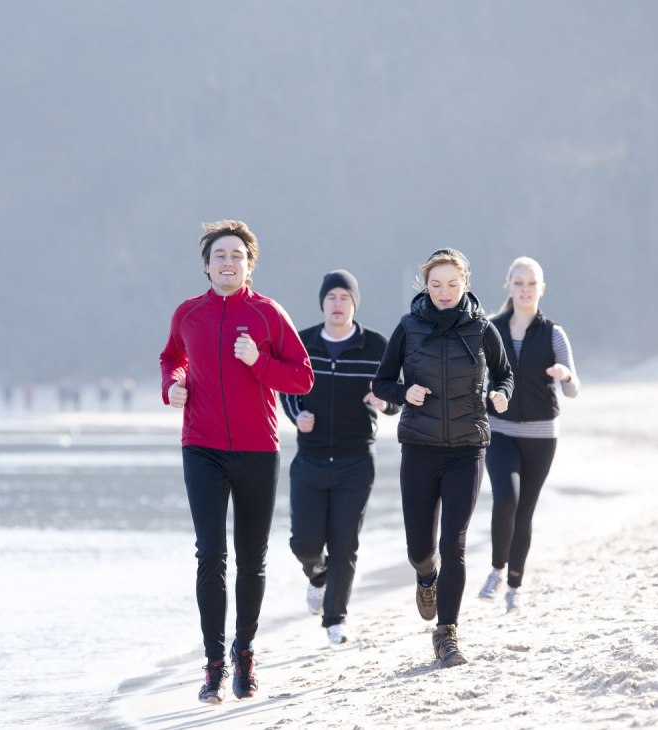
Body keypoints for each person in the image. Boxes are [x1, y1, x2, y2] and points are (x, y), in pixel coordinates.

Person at [159, 220, 315, 703]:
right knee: (210, 555)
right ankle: (211, 665)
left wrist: (258, 363)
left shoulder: (268, 314)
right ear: (206, 265)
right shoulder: (188, 313)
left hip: (256, 449)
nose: (228, 263)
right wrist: (174, 386)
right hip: (201, 447)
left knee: (252, 559)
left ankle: (243, 653)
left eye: (236, 256)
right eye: (220, 256)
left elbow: (302, 377)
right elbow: (172, 358)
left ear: (249, 265)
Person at [372, 248, 514, 668]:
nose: (444, 292)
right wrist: (403, 393)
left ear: (465, 283)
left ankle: (447, 634)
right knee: (421, 548)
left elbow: (504, 373)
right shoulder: (408, 327)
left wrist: (501, 394)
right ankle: (424, 577)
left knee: (454, 543)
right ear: (425, 285)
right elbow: (382, 382)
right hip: (418, 447)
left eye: (453, 284)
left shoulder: (482, 329)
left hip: (467, 449)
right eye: (436, 284)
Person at [281, 270, 399, 646]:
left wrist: (385, 402)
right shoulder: (304, 343)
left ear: (354, 303)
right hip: (311, 459)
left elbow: (395, 393)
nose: (337, 304)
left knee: (345, 542)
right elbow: (284, 387)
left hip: (355, 459)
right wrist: (296, 414)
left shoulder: (376, 346)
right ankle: (317, 576)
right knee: (304, 544)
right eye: (331, 297)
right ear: (322, 303)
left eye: (344, 297)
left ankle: (336, 618)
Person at [478, 257, 580, 613]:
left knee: (525, 511)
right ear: (507, 287)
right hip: (500, 429)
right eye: (518, 283)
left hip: (541, 434)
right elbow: (476, 377)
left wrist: (565, 375)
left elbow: (573, 390)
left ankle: (514, 587)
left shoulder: (553, 333)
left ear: (542, 289)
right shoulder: (490, 328)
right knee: (505, 498)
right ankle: (495, 570)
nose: (524, 289)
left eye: (531, 283)